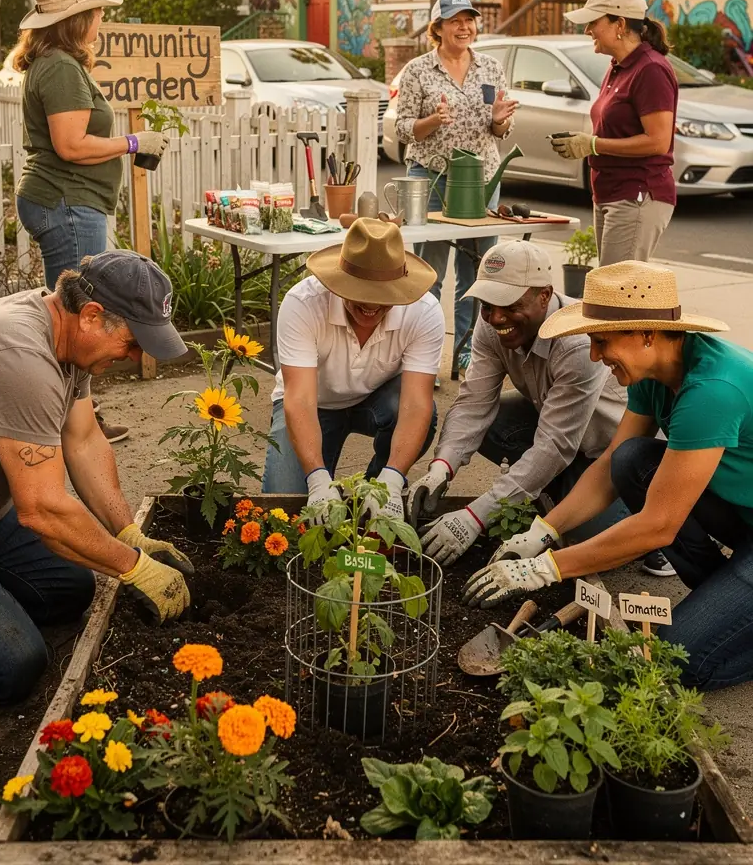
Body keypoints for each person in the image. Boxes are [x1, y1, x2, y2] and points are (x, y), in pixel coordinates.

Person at [461, 259, 753, 691]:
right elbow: (612, 465)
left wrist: (544, 569)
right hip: (741, 511)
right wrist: (543, 530)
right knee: (633, 459)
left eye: (601, 341)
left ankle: (733, 611)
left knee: (681, 664)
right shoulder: (656, 372)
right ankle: (727, 599)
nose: (595, 356)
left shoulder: (712, 390)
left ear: (648, 334)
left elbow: (657, 526)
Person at [0, 250, 192, 707]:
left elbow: (83, 439)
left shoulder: (67, 337)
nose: (134, 357)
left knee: (71, 589)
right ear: (93, 315)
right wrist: (134, 567)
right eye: (133, 343)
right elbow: (41, 509)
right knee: (9, 669)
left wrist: (127, 533)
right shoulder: (20, 357)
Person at [14, 0, 169, 443]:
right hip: (67, 201)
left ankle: (72, 416)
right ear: (76, 18)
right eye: (96, 10)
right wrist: (131, 141)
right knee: (76, 319)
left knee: (67, 314)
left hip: (63, 200)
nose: (102, 17)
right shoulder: (60, 66)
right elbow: (71, 145)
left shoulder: (54, 62)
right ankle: (74, 425)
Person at [409, 241, 626, 566]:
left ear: (545, 295)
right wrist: (441, 468)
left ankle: (660, 534)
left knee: (580, 542)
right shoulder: (490, 325)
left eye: (509, 304)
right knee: (494, 424)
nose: (496, 317)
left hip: (612, 454)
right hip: (559, 428)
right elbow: (473, 402)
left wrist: (474, 517)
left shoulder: (578, 342)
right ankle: (547, 488)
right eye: (487, 304)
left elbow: (554, 445)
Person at [261, 218, 445, 520]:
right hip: (313, 403)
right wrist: (317, 478)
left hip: (375, 400)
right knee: (285, 513)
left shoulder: (423, 311)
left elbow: (416, 404)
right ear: (340, 281)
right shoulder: (303, 303)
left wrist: (393, 476)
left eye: (384, 296)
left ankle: (374, 490)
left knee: (412, 412)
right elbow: (300, 399)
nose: (371, 305)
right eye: (360, 291)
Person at [395, 0, 518, 374]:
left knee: (479, 273)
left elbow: (500, 129)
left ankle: (467, 354)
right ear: (438, 28)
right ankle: (423, 358)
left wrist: (499, 120)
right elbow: (402, 127)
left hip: (480, 180)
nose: (464, 27)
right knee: (429, 272)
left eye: (469, 20)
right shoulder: (417, 70)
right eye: (454, 21)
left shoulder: (491, 68)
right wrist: (432, 120)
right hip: (432, 175)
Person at [550, 0, 677, 267]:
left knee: (617, 295)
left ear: (619, 24)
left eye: (593, 22)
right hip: (609, 192)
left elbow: (658, 141)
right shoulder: (617, 66)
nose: (587, 31)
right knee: (610, 290)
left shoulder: (651, 69)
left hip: (637, 194)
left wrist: (592, 144)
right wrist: (586, 142)